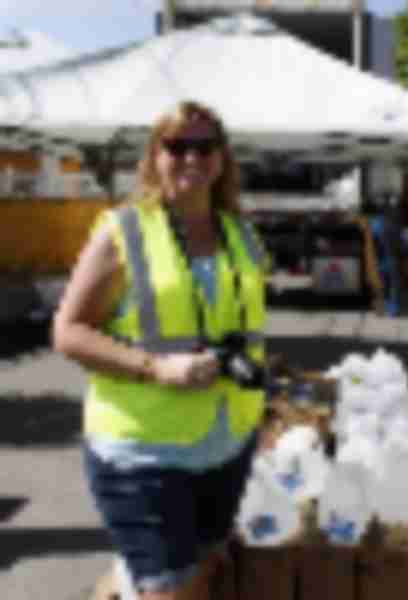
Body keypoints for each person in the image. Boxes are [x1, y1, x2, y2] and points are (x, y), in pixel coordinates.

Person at [53, 101, 269, 600]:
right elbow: (68, 331)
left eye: (205, 146)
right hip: (143, 450)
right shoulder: (123, 230)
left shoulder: (243, 234)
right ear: (154, 156)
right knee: (170, 590)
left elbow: (244, 328)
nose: (192, 157)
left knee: (209, 567)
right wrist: (155, 367)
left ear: (222, 159)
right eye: (177, 146)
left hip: (226, 440)